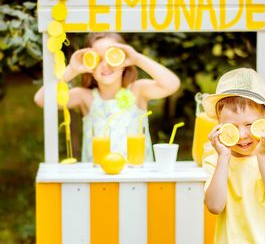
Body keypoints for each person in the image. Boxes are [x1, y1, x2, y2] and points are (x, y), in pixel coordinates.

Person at [34, 32, 180, 162]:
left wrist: (137, 59)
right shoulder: (85, 98)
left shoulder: (138, 91)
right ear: (88, 66)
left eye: (112, 56)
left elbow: (172, 84)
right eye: (97, 59)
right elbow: (41, 99)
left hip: (138, 180)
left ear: (124, 61)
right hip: (97, 183)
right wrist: (72, 69)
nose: (105, 65)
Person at [201, 68, 265, 244]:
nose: (243, 135)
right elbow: (214, 206)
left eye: (249, 124)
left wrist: (262, 155)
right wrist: (223, 158)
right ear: (219, 125)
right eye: (232, 126)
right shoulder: (215, 160)